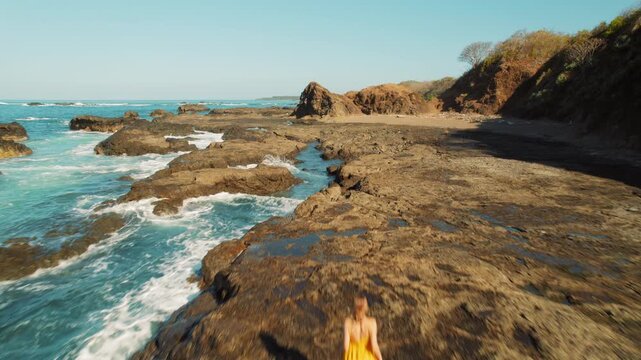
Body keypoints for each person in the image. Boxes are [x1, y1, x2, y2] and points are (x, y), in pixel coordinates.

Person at [343, 295, 383, 360]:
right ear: (366, 307)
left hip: (352, 357)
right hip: (367, 357)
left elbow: (345, 347)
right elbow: (374, 347)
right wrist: (380, 358)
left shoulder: (347, 322)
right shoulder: (372, 322)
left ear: (354, 307)